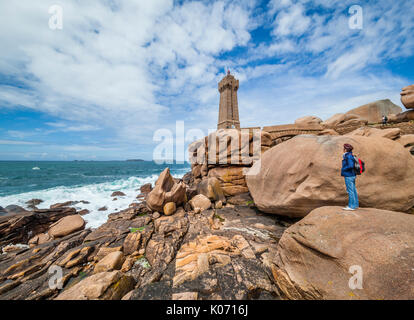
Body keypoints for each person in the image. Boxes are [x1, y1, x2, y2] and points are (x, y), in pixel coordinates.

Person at [341, 143, 359, 211]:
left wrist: (343, 169)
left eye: (344, 148)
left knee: (350, 191)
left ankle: (351, 206)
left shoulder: (348, 156)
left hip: (348, 175)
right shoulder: (350, 155)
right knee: (353, 190)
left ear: (345, 149)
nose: (343, 149)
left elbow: (351, 165)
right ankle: (356, 205)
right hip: (352, 175)